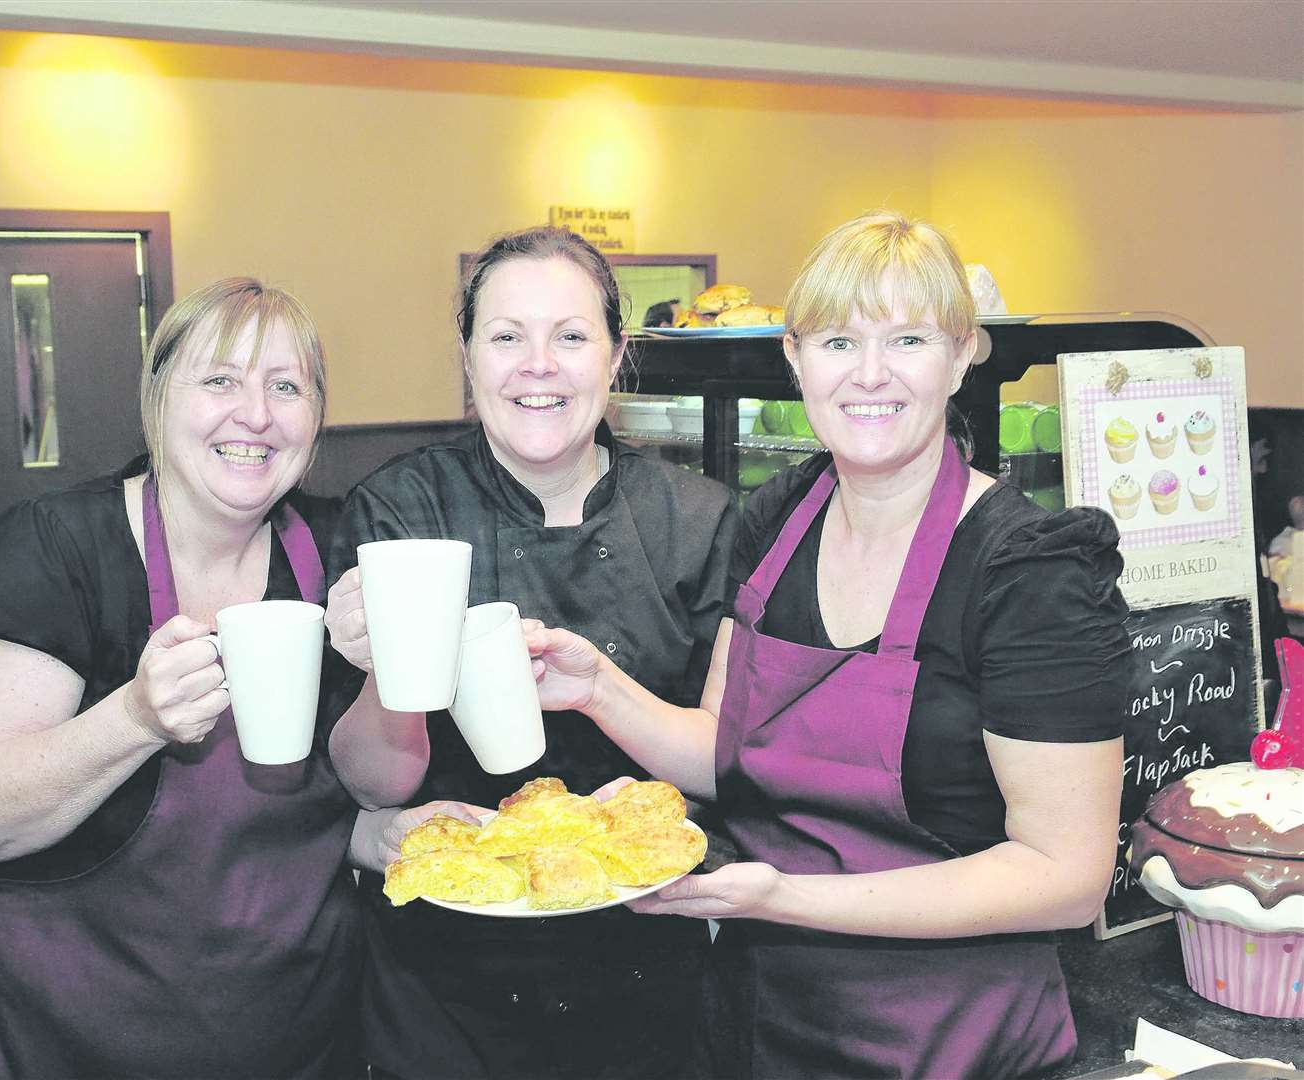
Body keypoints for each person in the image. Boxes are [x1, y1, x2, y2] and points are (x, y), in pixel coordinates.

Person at [527, 211, 1130, 1078]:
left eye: (909, 339)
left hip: (950, 1039)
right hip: (758, 1020)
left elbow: (1065, 875)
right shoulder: (777, 521)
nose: (871, 375)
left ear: (963, 354)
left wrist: (786, 897)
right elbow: (724, 753)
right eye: (839, 341)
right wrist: (598, 689)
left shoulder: (1033, 573)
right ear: (796, 360)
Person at [325, 225, 737, 1079]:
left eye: (572, 336)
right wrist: (391, 669)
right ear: (469, 358)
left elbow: (727, 762)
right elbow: (371, 784)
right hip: (441, 976)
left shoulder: (699, 520)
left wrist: (614, 720)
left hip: (647, 960)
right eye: (507, 336)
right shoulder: (399, 511)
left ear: (618, 356)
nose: (537, 364)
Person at [0, 278, 360, 1079]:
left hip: (300, 1032)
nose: (257, 415)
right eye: (220, 381)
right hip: (76, 1034)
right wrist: (133, 719)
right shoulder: (58, 547)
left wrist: (394, 832)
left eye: (286, 387)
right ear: (159, 397)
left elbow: (338, 803)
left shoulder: (339, 551)